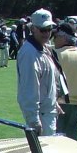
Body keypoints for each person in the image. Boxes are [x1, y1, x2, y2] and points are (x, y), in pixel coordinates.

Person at [17, 8, 62, 136]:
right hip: (40, 115)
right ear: (33, 29)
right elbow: (29, 89)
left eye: (49, 29)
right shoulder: (30, 53)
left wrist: (53, 102)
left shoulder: (44, 48)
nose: (47, 33)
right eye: (43, 30)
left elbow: (48, 80)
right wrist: (33, 120)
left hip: (48, 111)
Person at [52, 22, 77, 141]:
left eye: (55, 37)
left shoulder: (54, 54)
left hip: (57, 105)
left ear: (63, 37)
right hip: (75, 107)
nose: (53, 40)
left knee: (54, 142)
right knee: (71, 142)